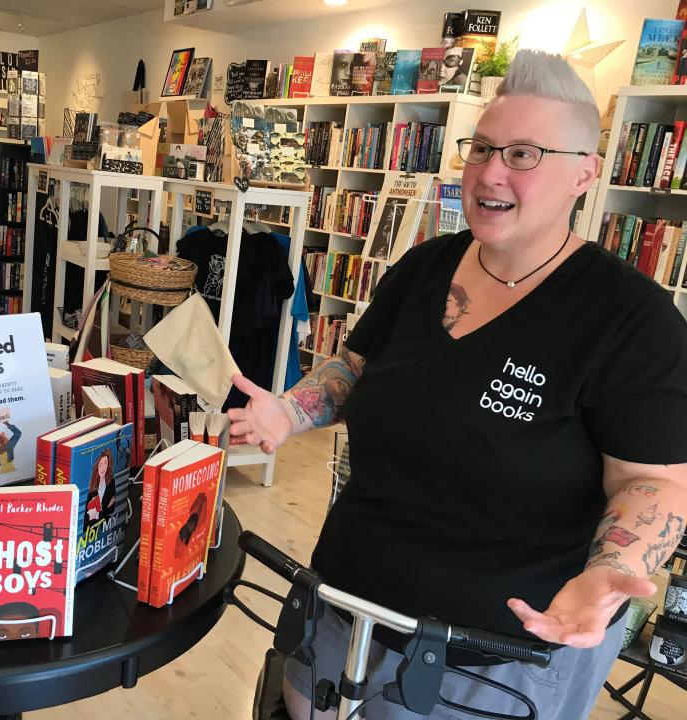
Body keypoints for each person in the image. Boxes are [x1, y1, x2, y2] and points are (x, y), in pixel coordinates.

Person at [229, 49, 687, 720]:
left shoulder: (630, 318)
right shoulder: (424, 266)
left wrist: (604, 576)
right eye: (482, 149)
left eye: (525, 154)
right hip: (341, 604)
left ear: (585, 173)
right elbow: (355, 367)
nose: (490, 172)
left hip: (493, 657)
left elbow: (654, 482)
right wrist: (291, 412)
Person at [83, 449, 115, 530]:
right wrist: (105, 509)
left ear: (108, 465)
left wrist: (98, 513)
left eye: (105, 463)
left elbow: (112, 508)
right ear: (97, 467)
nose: (103, 467)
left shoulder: (111, 482)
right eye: (100, 465)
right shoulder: (93, 485)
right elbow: (88, 515)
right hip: (91, 528)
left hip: (104, 525)